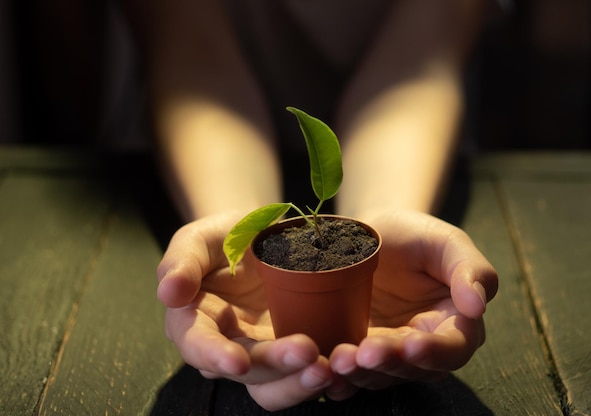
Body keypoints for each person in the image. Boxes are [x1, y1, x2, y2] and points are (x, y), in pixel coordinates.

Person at [121, 0, 498, 411]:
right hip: (203, 143)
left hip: (411, 142)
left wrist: (387, 213)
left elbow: (419, 61)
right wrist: (236, 223)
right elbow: (191, 54)